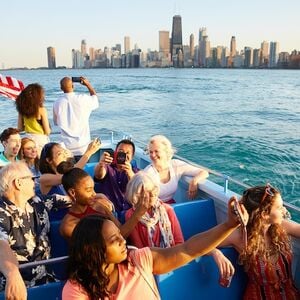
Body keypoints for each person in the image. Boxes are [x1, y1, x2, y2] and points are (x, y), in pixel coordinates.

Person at [62, 198, 248, 300]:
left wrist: (228, 225)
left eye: (120, 235)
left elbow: (189, 249)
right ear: (93, 249)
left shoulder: (138, 259)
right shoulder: (77, 289)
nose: (123, 241)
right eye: (114, 239)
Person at [0, 162, 72, 299]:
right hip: (17, 286)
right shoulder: (2, 213)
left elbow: (70, 199)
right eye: (32, 178)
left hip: (47, 278)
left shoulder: (37, 202)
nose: (35, 182)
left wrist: (95, 198)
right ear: (18, 183)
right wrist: (12, 273)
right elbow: (1, 244)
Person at [220, 184, 300, 299]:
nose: (284, 210)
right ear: (264, 215)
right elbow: (204, 245)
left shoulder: (280, 226)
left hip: (290, 295)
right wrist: (217, 254)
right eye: (279, 207)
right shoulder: (240, 236)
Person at [59, 168, 149, 241]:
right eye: (88, 190)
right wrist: (138, 214)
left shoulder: (99, 207)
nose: (94, 194)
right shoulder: (69, 226)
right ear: (72, 192)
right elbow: (117, 238)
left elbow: (119, 229)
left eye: (93, 189)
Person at [125, 171, 184, 248]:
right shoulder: (130, 215)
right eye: (147, 193)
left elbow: (179, 241)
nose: (153, 194)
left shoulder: (167, 209)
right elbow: (139, 248)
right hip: (148, 257)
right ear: (137, 196)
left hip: (172, 254)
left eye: (154, 190)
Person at [144, 135, 209, 204]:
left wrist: (194, 181)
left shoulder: (176, 165)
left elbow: (204, 172)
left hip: (170, 205)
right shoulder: (148, 173)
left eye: (156, 151)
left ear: (166, 152)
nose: (153, 155)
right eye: (151, 152)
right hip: (153, 208)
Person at [53, 76, 99, 158]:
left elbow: (56, 122)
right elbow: (95, 100)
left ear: (61, 88)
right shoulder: (83, 99)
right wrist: (88, 85)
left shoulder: (57, 103)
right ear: (73, 86)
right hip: (83, 146)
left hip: (66, 147)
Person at [94, 139, 138, 215]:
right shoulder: (107, 167)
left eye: (128, 153)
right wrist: (101, 164)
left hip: (128, 211)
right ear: (116, 152)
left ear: (132, 156)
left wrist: (129, 172)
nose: (124, 155)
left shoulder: (135, 172)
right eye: (121, 151)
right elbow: (99, 175)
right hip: (109, 210)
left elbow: (137, 188)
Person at [15, 83, 51, 155]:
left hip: (28, 140)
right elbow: (47, 131)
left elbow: (20, 128)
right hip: (41, 140)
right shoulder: (41, 110)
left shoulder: (21, 110)